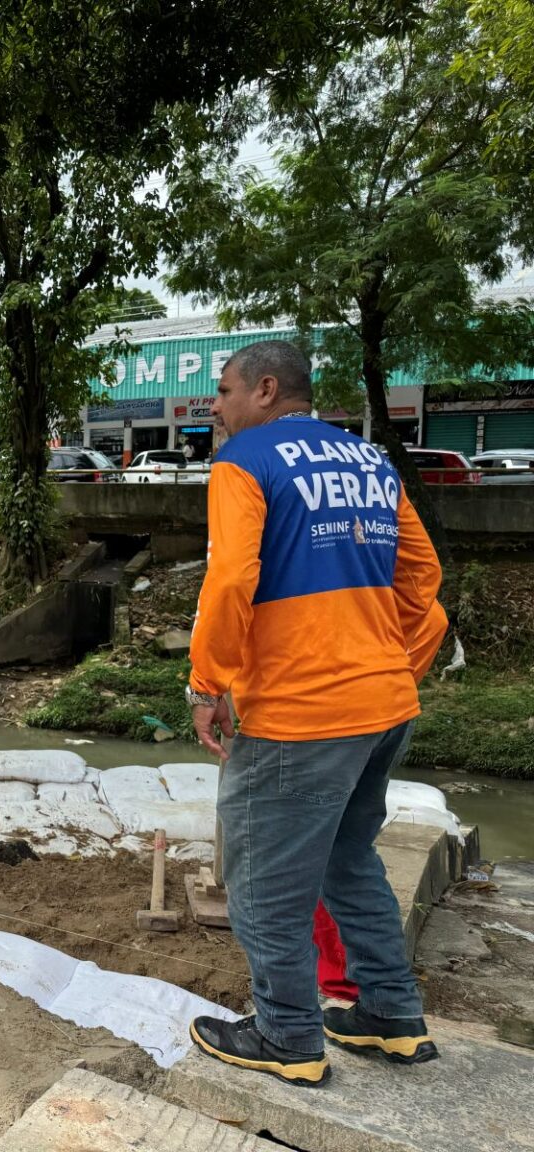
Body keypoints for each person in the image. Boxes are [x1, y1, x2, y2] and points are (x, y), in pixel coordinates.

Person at [185, 340, 447, 1086]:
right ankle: (389, 1015)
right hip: (384, 705)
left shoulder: (246, 462)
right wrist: (383, 661)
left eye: (225, 390)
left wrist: (209, 684)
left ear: (265, 391)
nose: (216, 404)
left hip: (302, 713)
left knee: (263, 881)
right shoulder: (369, 461)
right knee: (347, 859)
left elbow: (232, 579)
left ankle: (287, 1036)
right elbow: (422, 574)